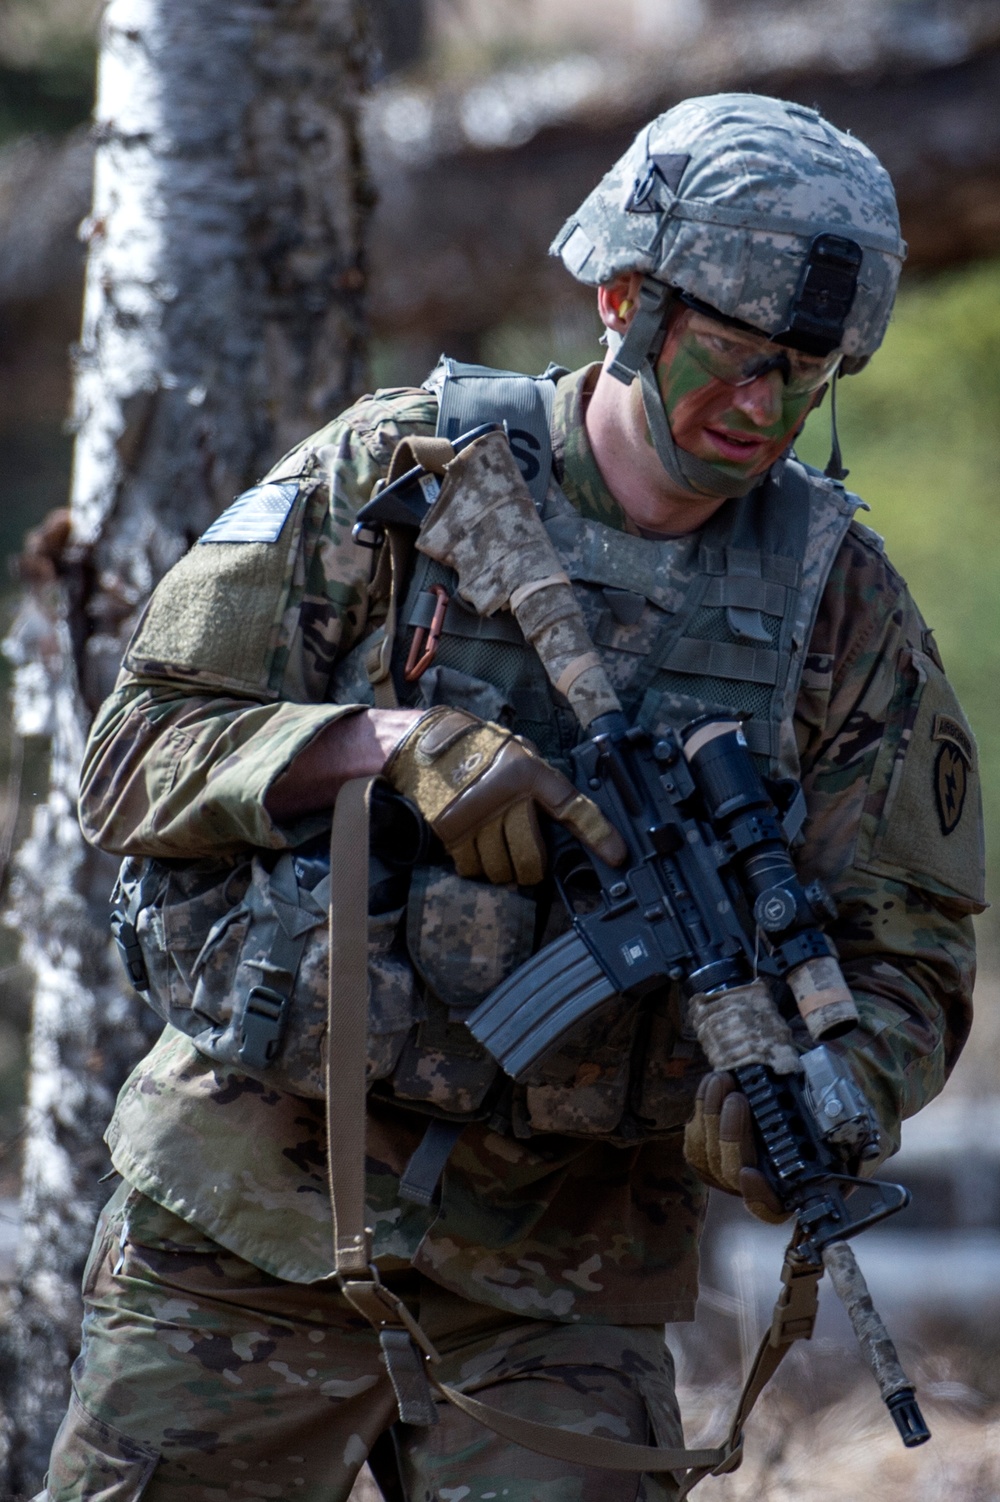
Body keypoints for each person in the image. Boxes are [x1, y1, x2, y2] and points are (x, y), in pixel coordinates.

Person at [41, 93, 984, 1502]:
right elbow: (129, 754)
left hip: (563, 1278)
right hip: (249, 1226)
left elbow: (911, 948)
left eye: (808, 374)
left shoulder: (837, 610)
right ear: (623, 302)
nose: (767, 409)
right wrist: (383, 743)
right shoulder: (397, 480)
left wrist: (829, 1095)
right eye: (734, 359)